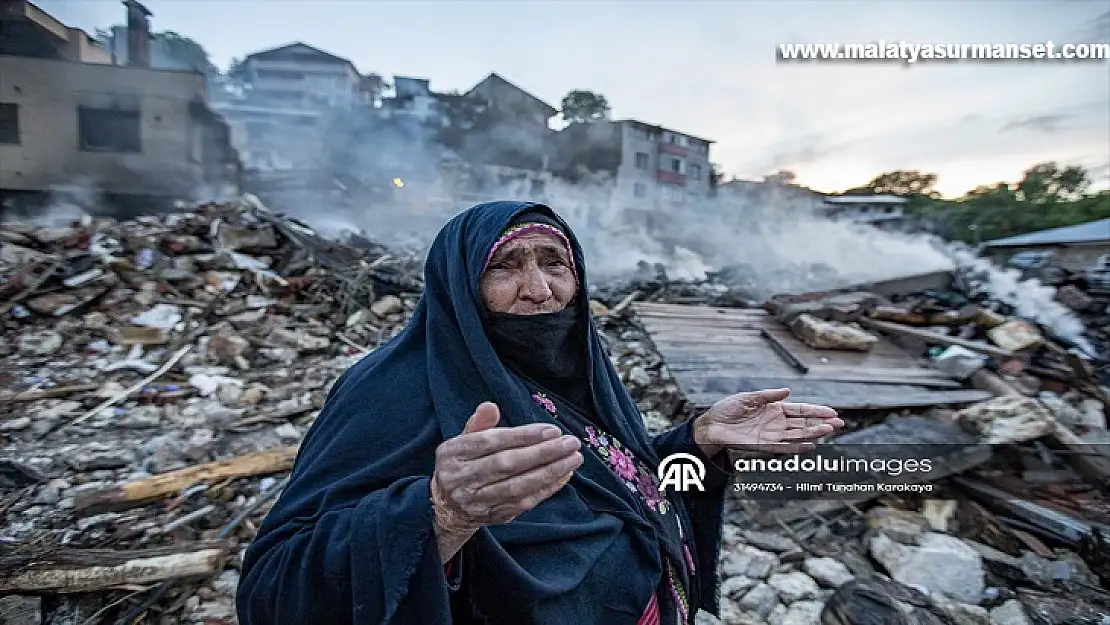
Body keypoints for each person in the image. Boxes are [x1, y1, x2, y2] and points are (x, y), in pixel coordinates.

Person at [236, 201, 843, 624]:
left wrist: (699, 439)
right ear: (459, 284)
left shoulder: (574, 373)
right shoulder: (393, 392)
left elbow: (609, 487)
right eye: (505, 266)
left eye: (554, 263)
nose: (539, 290)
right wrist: (438, 513)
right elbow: (273, 593)